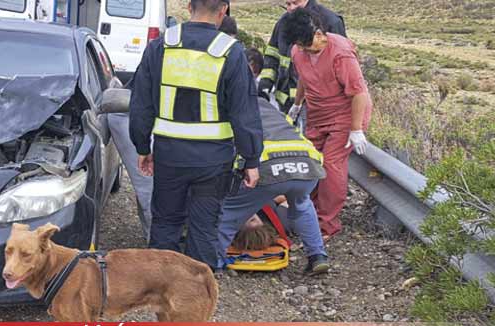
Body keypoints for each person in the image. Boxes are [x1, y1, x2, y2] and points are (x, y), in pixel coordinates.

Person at [129, 0, 264, 272]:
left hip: (169, 155)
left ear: (189, 6)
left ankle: (159, 291)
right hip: (213, 161)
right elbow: (245, 113)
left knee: (166, 222)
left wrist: (143, 147)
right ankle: (195, 298)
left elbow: (140, 104)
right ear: (223, 10)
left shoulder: (160, 46)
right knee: (204, 228)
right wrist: (251, 160)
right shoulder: (231, 52)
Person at [283, 8, 372, 239]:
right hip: (318, 112)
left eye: (307, 43)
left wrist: (356, 129)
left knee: (331, 165)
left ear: (320, 33)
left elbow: (358, 93)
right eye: (300, 45)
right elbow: (303, 75)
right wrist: (297, 103)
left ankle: (326, 225)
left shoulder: (340, 53)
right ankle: (307, 213)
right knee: (310, 161)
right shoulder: (298, 51)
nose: (304, 49)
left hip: (346, 113)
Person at [218, 97, 330, 275]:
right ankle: (318, 256)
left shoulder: (226, 108)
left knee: (229, 213)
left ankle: (213, 264)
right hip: (308, 164)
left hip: (267, 167)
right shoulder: (266, 105)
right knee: (302, 206)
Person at [259, 0, 346, 112]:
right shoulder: (282, 23)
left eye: (295, 3)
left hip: (317, 105)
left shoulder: (330, 22)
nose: (290, 8)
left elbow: (341, 69)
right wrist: (265, 85)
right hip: (285, 103)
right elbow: (272, 55)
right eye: (287, 4)